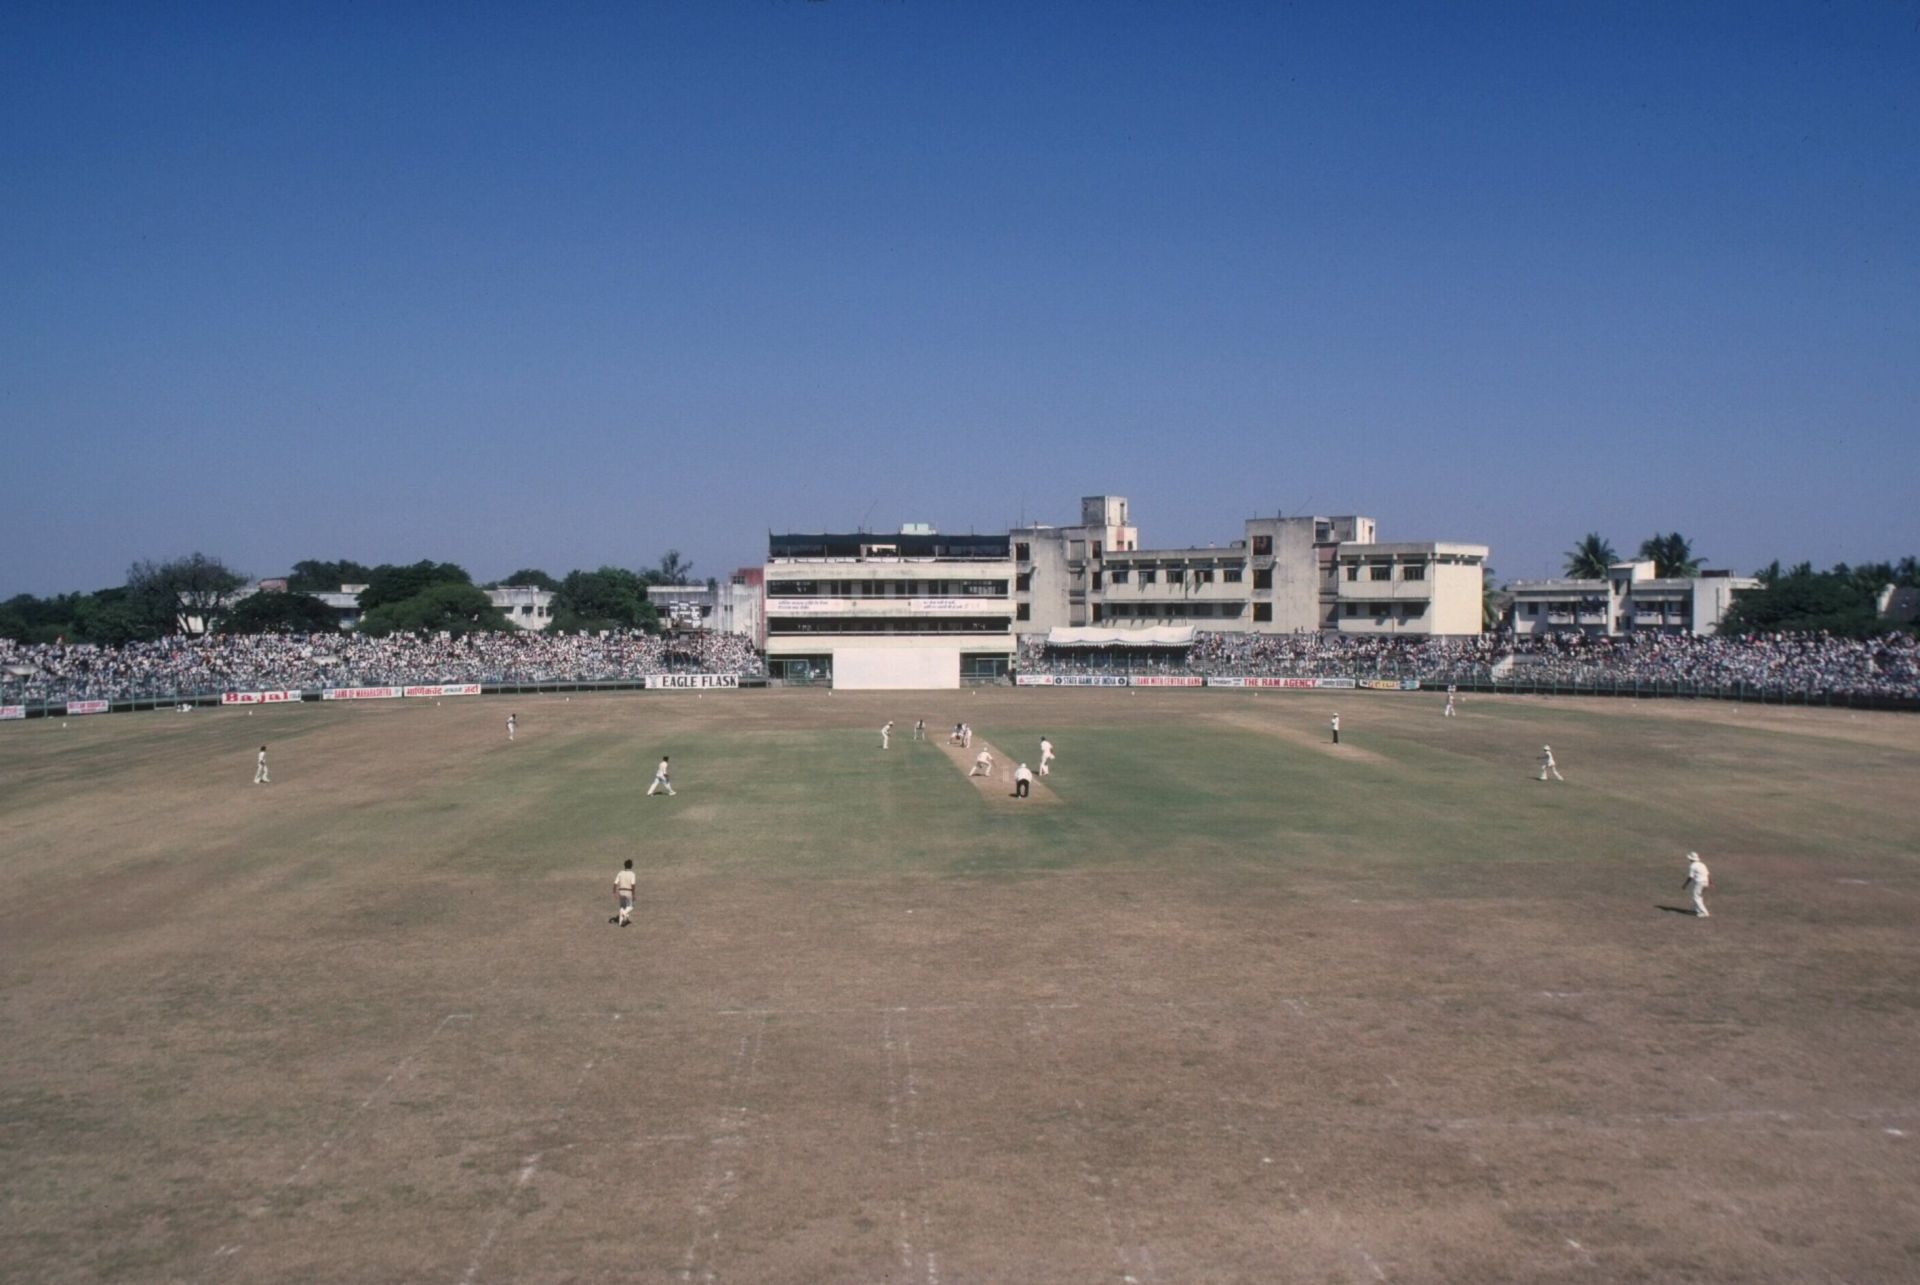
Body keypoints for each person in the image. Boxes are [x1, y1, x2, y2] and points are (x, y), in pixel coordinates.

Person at [1683, 852, 1711, 917]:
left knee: (1696, 897)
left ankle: (1704, 912)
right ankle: (1697, 910)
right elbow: (1708, 874)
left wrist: (1685, 884)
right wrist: (1710, 882)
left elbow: (1690, 877)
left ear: (1691, 859)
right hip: (1705, 882)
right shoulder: (1702, 864)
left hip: (1699, 883)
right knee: (1699, 896)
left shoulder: (1692, 866)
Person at [611, 858, 637, 927]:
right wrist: (634, 894)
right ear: (631, 866)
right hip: (628, 891)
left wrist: (614, 892)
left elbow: (615, 883)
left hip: (621, 891)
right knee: (630, 907)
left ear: (624, 865)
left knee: (622, 906)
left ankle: (620, 922)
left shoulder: (620, 873)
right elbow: (633, 885)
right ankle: (624, 914)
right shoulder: (632, 874)